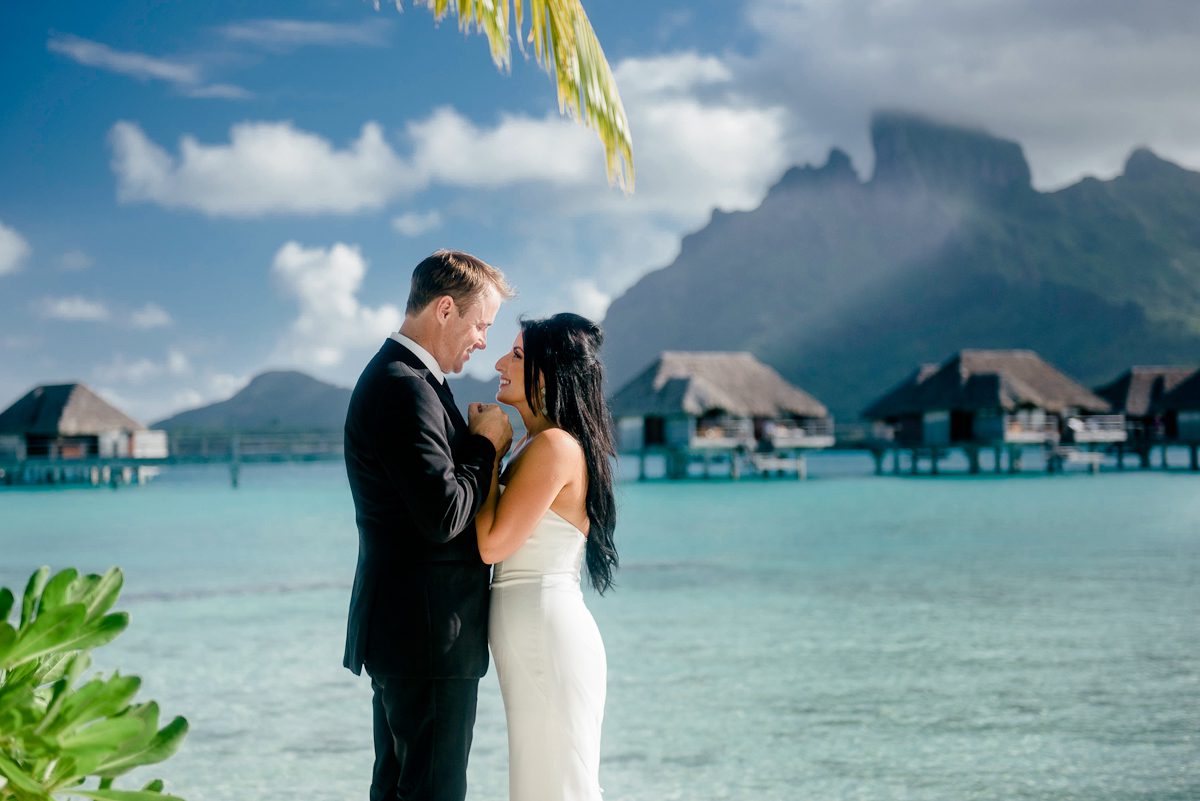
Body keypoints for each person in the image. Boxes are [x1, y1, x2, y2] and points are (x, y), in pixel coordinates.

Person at [343, 249, 515, 801]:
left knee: (398, 790)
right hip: (426, 635)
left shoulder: (410, 379)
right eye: (482, 324)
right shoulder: (404, 384)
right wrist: (487, 446)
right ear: (446, 309)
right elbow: (443, 515)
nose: (484, 342)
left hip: (411, 634)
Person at [472, 313, 619, 801]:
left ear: (549, 370)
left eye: (516, 354)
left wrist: (487, 450)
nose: (499, 362)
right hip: (535, 633)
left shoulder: (554, 446)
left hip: (545, 635)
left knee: (556, 787)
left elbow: (492, 543)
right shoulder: (540, 445)